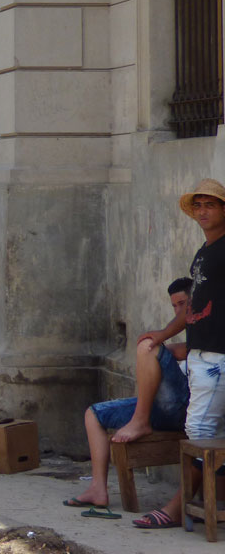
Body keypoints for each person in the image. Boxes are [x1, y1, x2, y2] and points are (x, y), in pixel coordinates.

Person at [127, 179, 225, 529]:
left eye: (210, 205)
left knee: (199, 433)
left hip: (217, 358)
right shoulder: (205, 251)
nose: (202, 212)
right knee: (202, 434)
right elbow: (193, 305)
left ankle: (176, 507)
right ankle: (190, 505)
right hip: (203, 356)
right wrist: (164, 333)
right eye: (198, 206)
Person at [64, 278, 192, 516]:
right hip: (164, 408)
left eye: (183, 304)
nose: (178, 311)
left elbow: (185, 349)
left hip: (187, 409)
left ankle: (140, 420)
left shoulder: (208, 325)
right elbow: (179, 350)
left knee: (148, 346)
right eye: (174, 306)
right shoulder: (186, 331)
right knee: (93, 414)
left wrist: (163, 344)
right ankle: (97, 490)